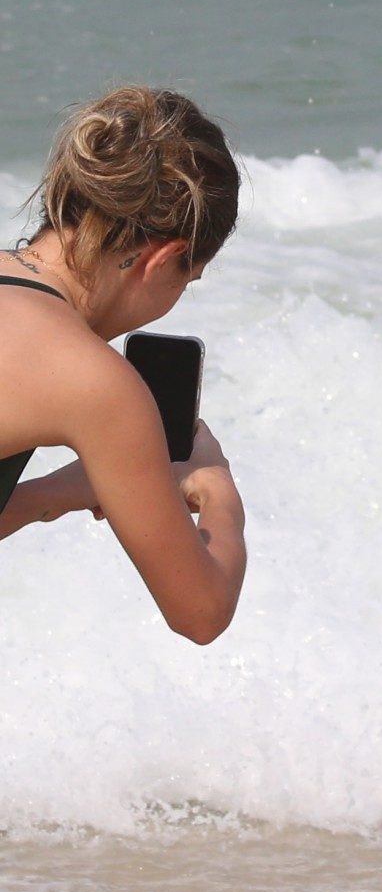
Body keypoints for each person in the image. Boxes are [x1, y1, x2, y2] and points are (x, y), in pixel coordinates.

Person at [0, 85, 247, 644]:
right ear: (162, 259)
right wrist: (219, 492)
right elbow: (200, 613)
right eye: (189, 277)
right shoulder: (94, 381)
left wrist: (53, 495)